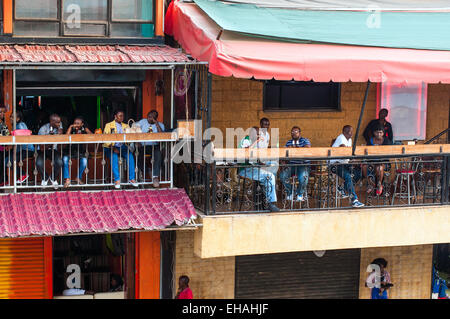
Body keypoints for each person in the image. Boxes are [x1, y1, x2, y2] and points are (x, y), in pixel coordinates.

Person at [238, 127, 280, 212]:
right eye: (258, 134)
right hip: (245, 169)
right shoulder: (246, 140)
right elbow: (246, 152)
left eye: (259, 134)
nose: (259, 136)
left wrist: (261, 162)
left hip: (254, 167)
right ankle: (270, 203)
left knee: (274, 164)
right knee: (269, 176)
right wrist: (256, 141)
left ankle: (266, 191)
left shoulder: (255, 142)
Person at [103, 110, 138, 189]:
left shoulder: (126, 125)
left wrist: (129, 140)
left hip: (122, 146)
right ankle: (117, 180)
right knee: (114, 157)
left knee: (130, 156)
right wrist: (113, 147)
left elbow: (128, 138)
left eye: (123, 116)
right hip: (110, 147)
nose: (122, 117)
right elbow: (106, 138)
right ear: (115, 116)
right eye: (120, 116)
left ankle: (131, 179)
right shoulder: (108, 125)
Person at [331, 125, 364, 208]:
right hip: (335, 164)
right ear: (344, 132)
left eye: (352, 132)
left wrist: (353, 160)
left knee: (358, 173)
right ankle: (354, 200)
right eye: (349, 132)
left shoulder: (349, 139)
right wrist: (353, 158)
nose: (351, 134)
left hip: (344, 163)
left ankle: (342, 187)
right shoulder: (341, 138)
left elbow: (349, 154)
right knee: (348, 176)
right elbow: (344, 151)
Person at [279, 126, 311, 202]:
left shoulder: (305, 141)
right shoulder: (289, 142)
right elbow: (283, 151)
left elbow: (307, 149)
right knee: (282, 175)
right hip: (292, 165)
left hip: (303, 165)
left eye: (295, 132)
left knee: (303, 177)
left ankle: (300, 194)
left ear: (299, 133)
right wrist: (283, 161)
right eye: (292, 132)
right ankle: (290, 192)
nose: (293, 133)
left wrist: (293, 148)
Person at [136, 110, 164, 188]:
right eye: (149, 116)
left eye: (152, 117)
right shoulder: (142, 122)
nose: (150, 118)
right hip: (142, 145)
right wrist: (137, 141)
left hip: (153, 145)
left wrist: (156, 124)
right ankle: (144, 173)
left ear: (155, 118)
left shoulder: (160, 125)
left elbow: (162, 136)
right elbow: (134, 128)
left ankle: (155, 176)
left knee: (158, 153)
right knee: (138, 154)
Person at [362, 123, 393, 196]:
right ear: (374, 133)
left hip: (383, 162)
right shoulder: (371, 140)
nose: (378, 134)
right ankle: (371, 184)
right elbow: (367, 152)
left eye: (380, 132)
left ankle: (379, 184)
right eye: (377, 132)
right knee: (364, 167)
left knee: (379, 168)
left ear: (383, 133)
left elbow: (388, 153)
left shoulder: (386, 141)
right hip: (372, 161)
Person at [62, 116, 93, 188]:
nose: (76, 125)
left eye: (78, 123)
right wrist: (70, 127)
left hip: (80, 151)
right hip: (70, 150)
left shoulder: (83, 129)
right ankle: (67, 179)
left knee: (84, 161)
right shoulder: (71, 129)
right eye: (74, 123)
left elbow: (92, 135)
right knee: (65, 159)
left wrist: (85, 128)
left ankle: (78, 177)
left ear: (82, 124)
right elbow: (65, 137)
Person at [36, 114, 64, 188]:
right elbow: (41, 148)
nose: (59, 124)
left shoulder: (59, 125)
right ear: (51, 122)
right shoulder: (43, 129)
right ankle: (45, 178)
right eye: (57, 122)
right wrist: (51, 141)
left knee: (59, 162)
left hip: (53, 150)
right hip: (43, 150)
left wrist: (59, 132)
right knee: (39, 163)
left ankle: (53, 178)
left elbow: (61, 135)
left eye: (59, 122)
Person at [7, 111, 35, 184]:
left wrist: (13, 134)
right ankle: (7, 180)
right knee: (7, 160)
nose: (11, 118)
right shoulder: (15, 126)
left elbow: (24, 133)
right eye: (11, 116)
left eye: (13, 117)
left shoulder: (20, 124)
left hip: (27, 150)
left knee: (11, 160)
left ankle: (23, 174)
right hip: (21, 150)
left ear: (18, 119)